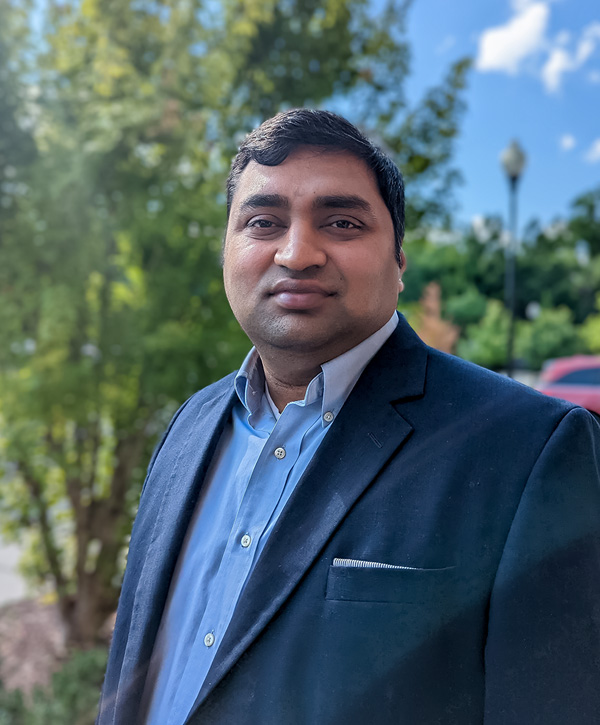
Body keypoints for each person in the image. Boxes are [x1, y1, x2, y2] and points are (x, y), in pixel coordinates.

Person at [98, 109, 600, 725]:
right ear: (227, 249)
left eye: (341, 222)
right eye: (263, 221)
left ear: (400, 261)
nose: (297, 253)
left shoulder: (530, 451)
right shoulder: (188, 428)